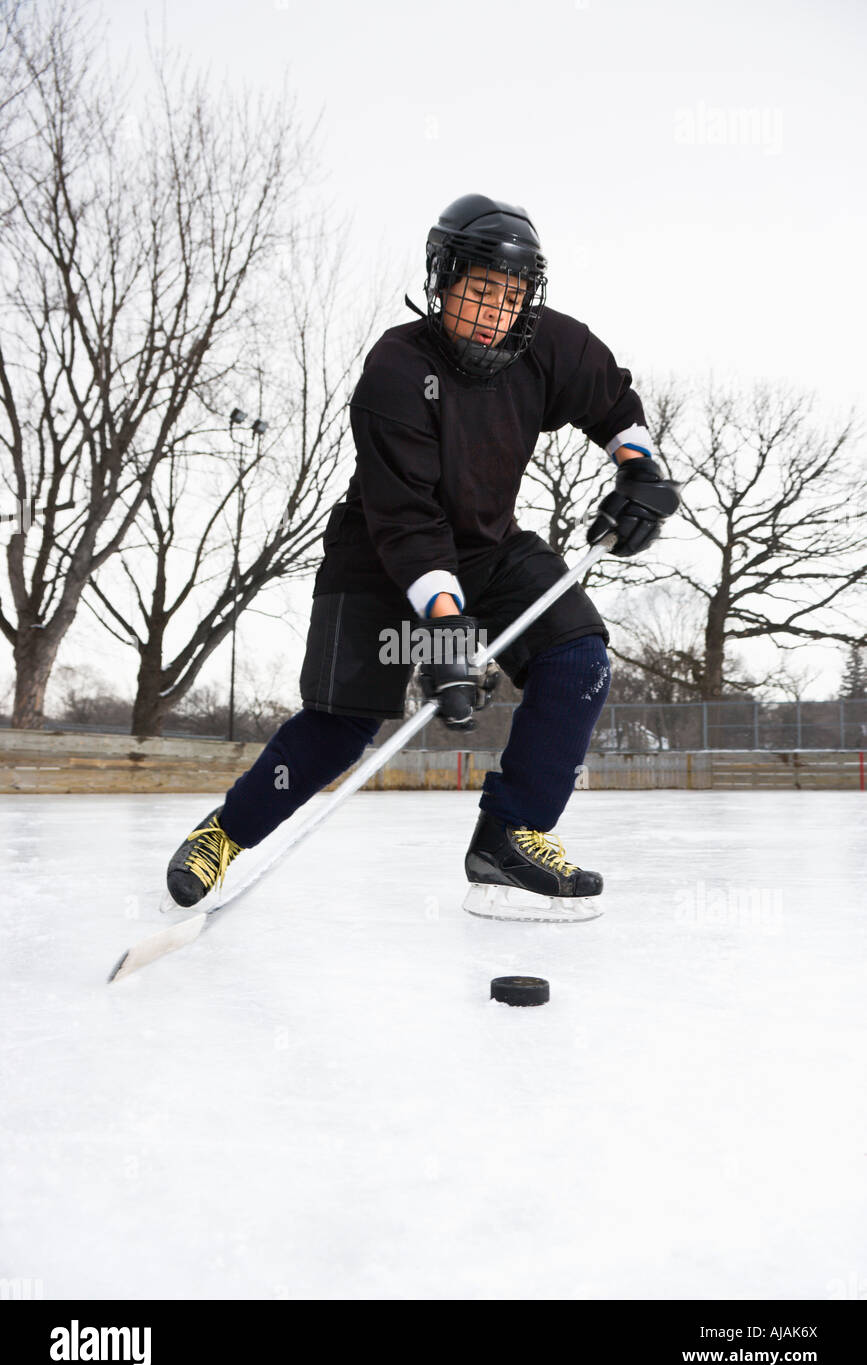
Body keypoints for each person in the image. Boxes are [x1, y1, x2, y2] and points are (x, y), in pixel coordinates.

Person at [166, 194, 680, 921]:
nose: (494, 310)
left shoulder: (552, 346)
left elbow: (613, 404)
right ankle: (222, 835)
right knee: (339, 727)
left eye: (511, 293)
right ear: (442, 281)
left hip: (488, 544)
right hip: (378, 553)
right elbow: (407, 521)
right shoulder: (399, 368)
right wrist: (443, 629)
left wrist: (641, 470)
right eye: (478, 290)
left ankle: (511, 834)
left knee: (578, 657)